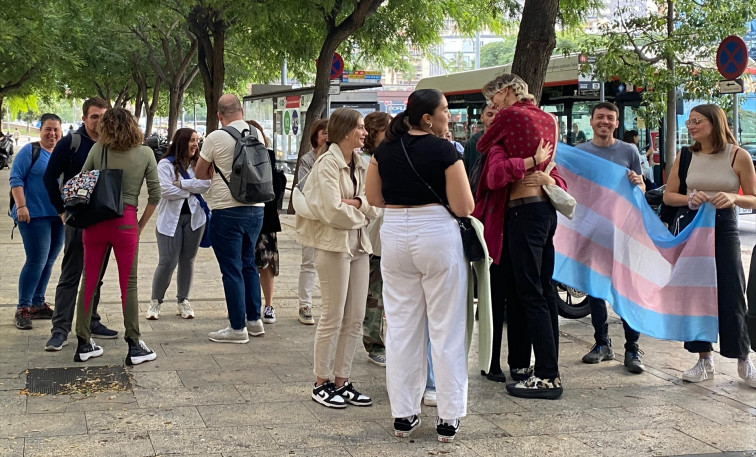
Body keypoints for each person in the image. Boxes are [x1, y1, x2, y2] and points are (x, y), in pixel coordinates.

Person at [366, 89, 474, 441]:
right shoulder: (445, 150)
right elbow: (464, 206)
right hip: (436, 235)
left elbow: (374, 198)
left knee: (401, 327)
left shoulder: (384, 150)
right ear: (428, 117)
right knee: (445, 326)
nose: (449, 116)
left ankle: (404, 414)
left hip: (394, 234)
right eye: (445, 110)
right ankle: (448, 415)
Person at [474, 74, 563, 399]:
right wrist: (536, 165)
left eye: (493, 99)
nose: (492, 107)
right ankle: (535, 368)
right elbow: (552, 167)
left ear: (507, 91)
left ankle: (548, 376)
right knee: (541, 292)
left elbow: (484, 146)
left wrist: (522, 159)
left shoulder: (510, 117)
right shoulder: (548, 119)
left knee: (529, 295)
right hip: (544, 213)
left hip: (522, 212)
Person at [663, 104, 756, 388]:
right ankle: (704, 359)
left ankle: (743, 357)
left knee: (732, 290)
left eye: (696, 121)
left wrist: (733, 197)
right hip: (693, 226)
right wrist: (689, 199)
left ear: (715, 123)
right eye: (689, 122)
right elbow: (668, 196)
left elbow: (753, 198)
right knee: (696, 293)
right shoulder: (686, 155)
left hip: (725, 226)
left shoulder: (738, 156)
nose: (690, 126)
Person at [296, 107, 378, 410]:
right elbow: (331, 211)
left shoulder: (361, 162)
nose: (365, 132)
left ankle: (342, 380)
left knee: (355, 317)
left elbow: (376, 203)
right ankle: (322, 381)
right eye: (360, 127)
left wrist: (355, 204)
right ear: (345, 131)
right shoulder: (326, 164)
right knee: (333, 316)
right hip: (333, 246)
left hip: (358, 245)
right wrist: (362, 212)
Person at [73, 108, 160, 365]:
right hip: (125, 222)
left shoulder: (98, 150)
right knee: (128, 284)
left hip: (96, 222)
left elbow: (81, 182)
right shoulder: (145, 153)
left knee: (88, 280)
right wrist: (141, 224)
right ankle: (134, 344)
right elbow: (156, 194)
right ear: (133, 125)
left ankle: (83, 342)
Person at [576, 102, 646, 373]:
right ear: (591, 122)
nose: (605, 122)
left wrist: (637, 183)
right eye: (600, 117)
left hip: (623, 233)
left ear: (617, 123)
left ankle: (633, 347)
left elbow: (640, 188)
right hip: (593, 232)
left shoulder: (629, 151)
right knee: (595, 290)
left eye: (610, 118)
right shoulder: (580, 152)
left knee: (626, 290)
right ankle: (602, 344)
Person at [42, 97, 116, 351]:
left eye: (103, 116)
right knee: (71, 275)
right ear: (84, 118)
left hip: (104, 220)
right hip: (77, 220)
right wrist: (61, 211)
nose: (99, 121)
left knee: (97, 276)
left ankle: (91, 320)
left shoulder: (113, 143)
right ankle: (60, 329)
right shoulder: (70, 143)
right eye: (94, 116)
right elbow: (49, 177)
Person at [195, 94, 266, 343]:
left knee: (231, 269)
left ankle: (237, 328)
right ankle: (254, 320)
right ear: (242, 110)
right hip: (256, 208)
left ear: (219, 115)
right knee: (249, 264)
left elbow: (200, 172)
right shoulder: (257, 133)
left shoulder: (215, 137)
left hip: (227, 209)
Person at [147, 128, 210, 320]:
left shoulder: (198, 164)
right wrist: (192, 189)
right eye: (191, 140)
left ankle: (183, 300)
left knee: (187, 260)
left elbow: (206, 185)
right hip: (169, 221)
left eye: (196, 140)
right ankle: (155, 302)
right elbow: (164, 190)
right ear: (181, 141)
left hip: (195, 219)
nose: (194, 144)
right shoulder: (165, 164)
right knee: (167, 261)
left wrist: (181, 185)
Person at [9, 113, 64, 330]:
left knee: (49, 261)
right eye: (47, 129)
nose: (52, 134)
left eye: (56, 130)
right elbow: (16, 179)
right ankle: (23, 307)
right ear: (40, 130)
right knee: (36, 261)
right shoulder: (30, 151)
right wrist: (21, 206)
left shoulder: (62, 153)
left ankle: (37, 303)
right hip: (33, 215)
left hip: (58, 216)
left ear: (61, 131)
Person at [247, 120, 286, 326]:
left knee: (267, 262)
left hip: (266, 216)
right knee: (247, 262)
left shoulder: (267, 156)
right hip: (249, 214)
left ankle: (268, 304)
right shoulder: (235, 155)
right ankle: (247, 304)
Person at [361, 111, 391, 367]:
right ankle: (373, 342)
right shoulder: (365, 161)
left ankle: (379, 339)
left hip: (385, 236)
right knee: (374, 293)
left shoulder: (387, 156)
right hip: (372, 235)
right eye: (386, 130)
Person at [297, 119, 328, 325]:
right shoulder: (308, 159)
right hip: (311, 214)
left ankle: (330, 305)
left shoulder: (342, 158)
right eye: (323, 132)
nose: (327, 136)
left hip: (332, 216)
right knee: (309, 262)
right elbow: (305, 184)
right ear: (315, 136)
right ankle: (304, 304)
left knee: (331, 263)